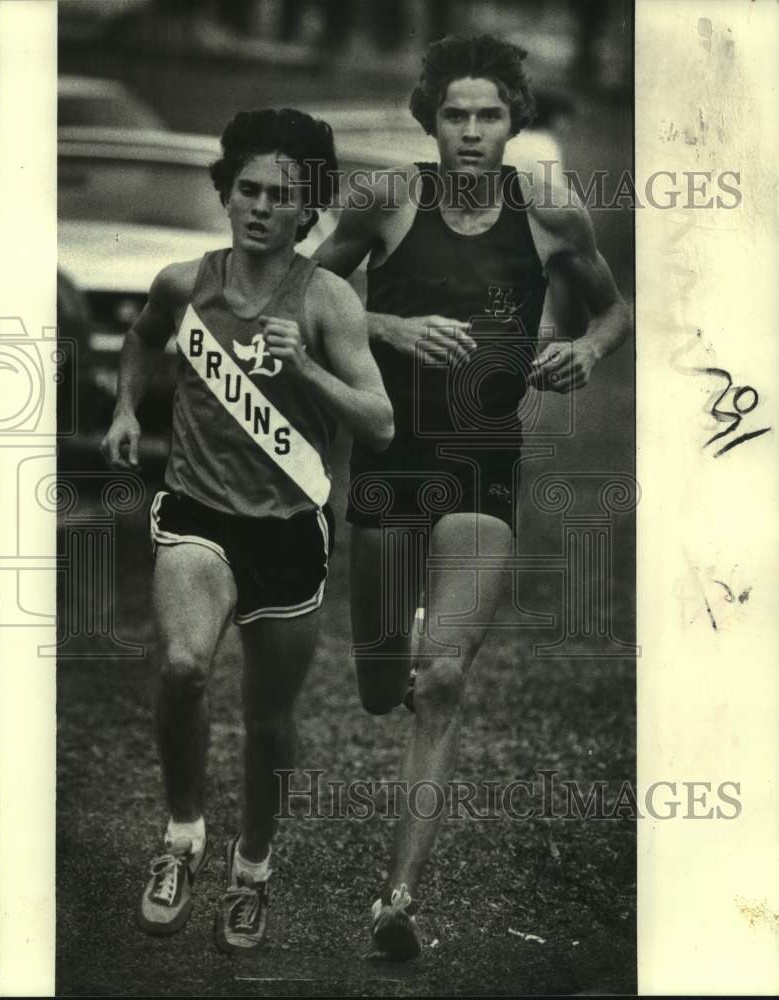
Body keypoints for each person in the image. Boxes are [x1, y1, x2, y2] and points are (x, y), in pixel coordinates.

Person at [315, 33, 632, 960]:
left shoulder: (549, 215)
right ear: (431, 119)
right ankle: (400, 641)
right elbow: (302, 293)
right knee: (381, 686)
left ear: (512, 124)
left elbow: (611, 309)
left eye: (487, 115)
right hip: (387, 454)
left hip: (483, 457)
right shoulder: (383, 202)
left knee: (442, 682)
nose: (469, 131)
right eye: (454, 114)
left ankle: (396, 901)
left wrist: (586, 349)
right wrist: (387, 325)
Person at [101, 108, 393, 953]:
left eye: (283, 196)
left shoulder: (328, 300)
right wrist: (125, 405)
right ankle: (180, 838)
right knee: (185, 669)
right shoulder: (180, 282)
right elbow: (144, 339)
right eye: (248, 190)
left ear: (310, 211)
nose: (262, 207)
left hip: (289, 531)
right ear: (225, 194)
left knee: (269, 718)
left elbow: (376, 422)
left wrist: (304, 366)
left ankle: (252, 868)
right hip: (196, 511)